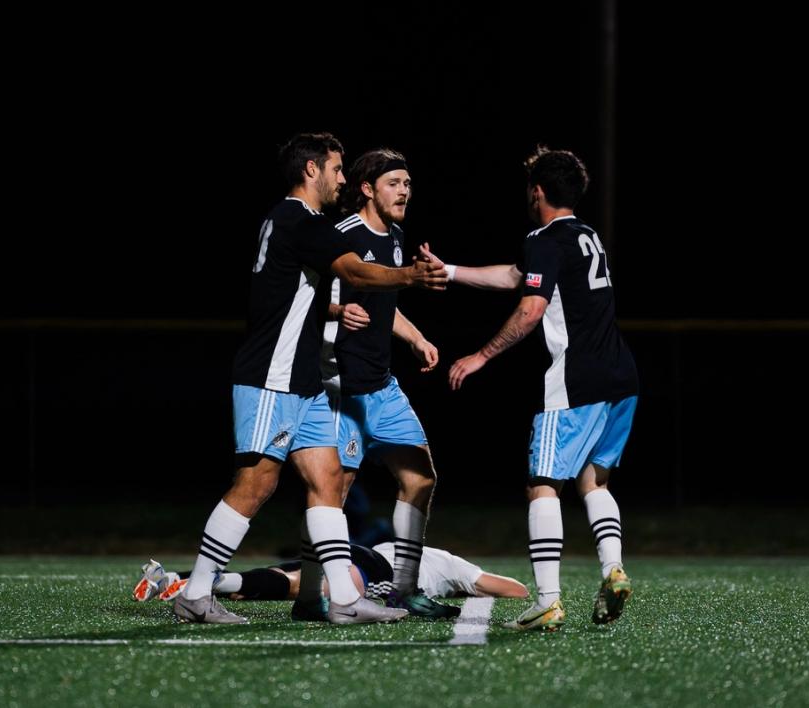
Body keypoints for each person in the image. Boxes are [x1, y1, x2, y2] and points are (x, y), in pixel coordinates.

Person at [174, 133, 447, 626]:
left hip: (305, 383)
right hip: (271, 377)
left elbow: (298, 292)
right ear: (311, 171)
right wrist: (410, 277)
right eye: (337, 169)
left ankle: (341, 599)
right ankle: (195, 591)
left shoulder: (293, 223)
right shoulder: (302, 220)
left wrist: (339, 308)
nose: (342, 179)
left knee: (327, 484)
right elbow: (354, 271)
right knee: (255, 484)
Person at [422, 146, 638, 630]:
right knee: (593, 482)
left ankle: (548, 600)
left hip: (576, 382)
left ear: (536, 191)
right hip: (622, 378)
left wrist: (480, 355)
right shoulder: (584, 235)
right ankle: (613, 570)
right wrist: (451, 271)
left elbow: (531, 307)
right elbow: (520, 277)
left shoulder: (544, 237)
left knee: (542, 486)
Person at [295, 148, 456, 620]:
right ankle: (311, 596)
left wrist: (417, 338)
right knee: (332, 495)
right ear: (367, 188)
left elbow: (385, 305)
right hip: (338, 388)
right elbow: (299, 299)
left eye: (408, 182)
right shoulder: (339, 237)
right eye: (394, 182)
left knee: (420, 476)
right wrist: (336, 311)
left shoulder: (397, 236)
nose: (404, 189)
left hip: (382, 387)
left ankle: (404, 590)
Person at [133, 544, 529, 605]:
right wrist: (469, 587)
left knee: (270, 578)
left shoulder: (419, 547)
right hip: (379, 570)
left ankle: (174, 577)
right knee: (292, 586)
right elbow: (516, 591)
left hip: (354, 547)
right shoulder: (454, 564)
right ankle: (202, 584)